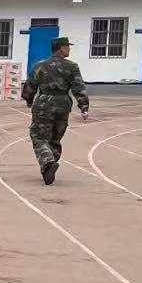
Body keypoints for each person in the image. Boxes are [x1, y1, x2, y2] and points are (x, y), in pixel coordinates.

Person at [22, 36, 91, 185]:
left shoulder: (39, 65)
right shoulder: (72, 66)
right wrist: (84, 107)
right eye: (67, 47)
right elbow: (78, 87)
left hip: (44, 104)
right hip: (63, 105)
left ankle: (48, 162)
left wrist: (29, 100)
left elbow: (30, 85)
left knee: (39, 137)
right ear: (61, 48)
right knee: (55, 138)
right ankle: (49, 167)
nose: (69, 49)